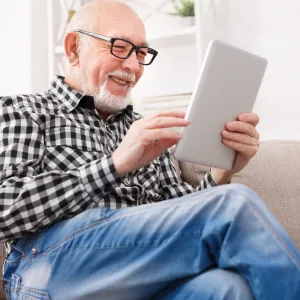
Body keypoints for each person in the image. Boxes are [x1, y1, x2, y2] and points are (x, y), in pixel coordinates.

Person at [0, 0, 299, 299]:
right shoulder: (24, 110)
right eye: (119, 46)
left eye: (141, 53)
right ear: (73, 47)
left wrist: (221, 173)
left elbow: (182, 214)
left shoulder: (148, 130)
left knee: (227, 288)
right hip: (46, 266)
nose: (132, 65)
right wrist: (114, 164)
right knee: (234, 204)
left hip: (140, 270)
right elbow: (5, 208)